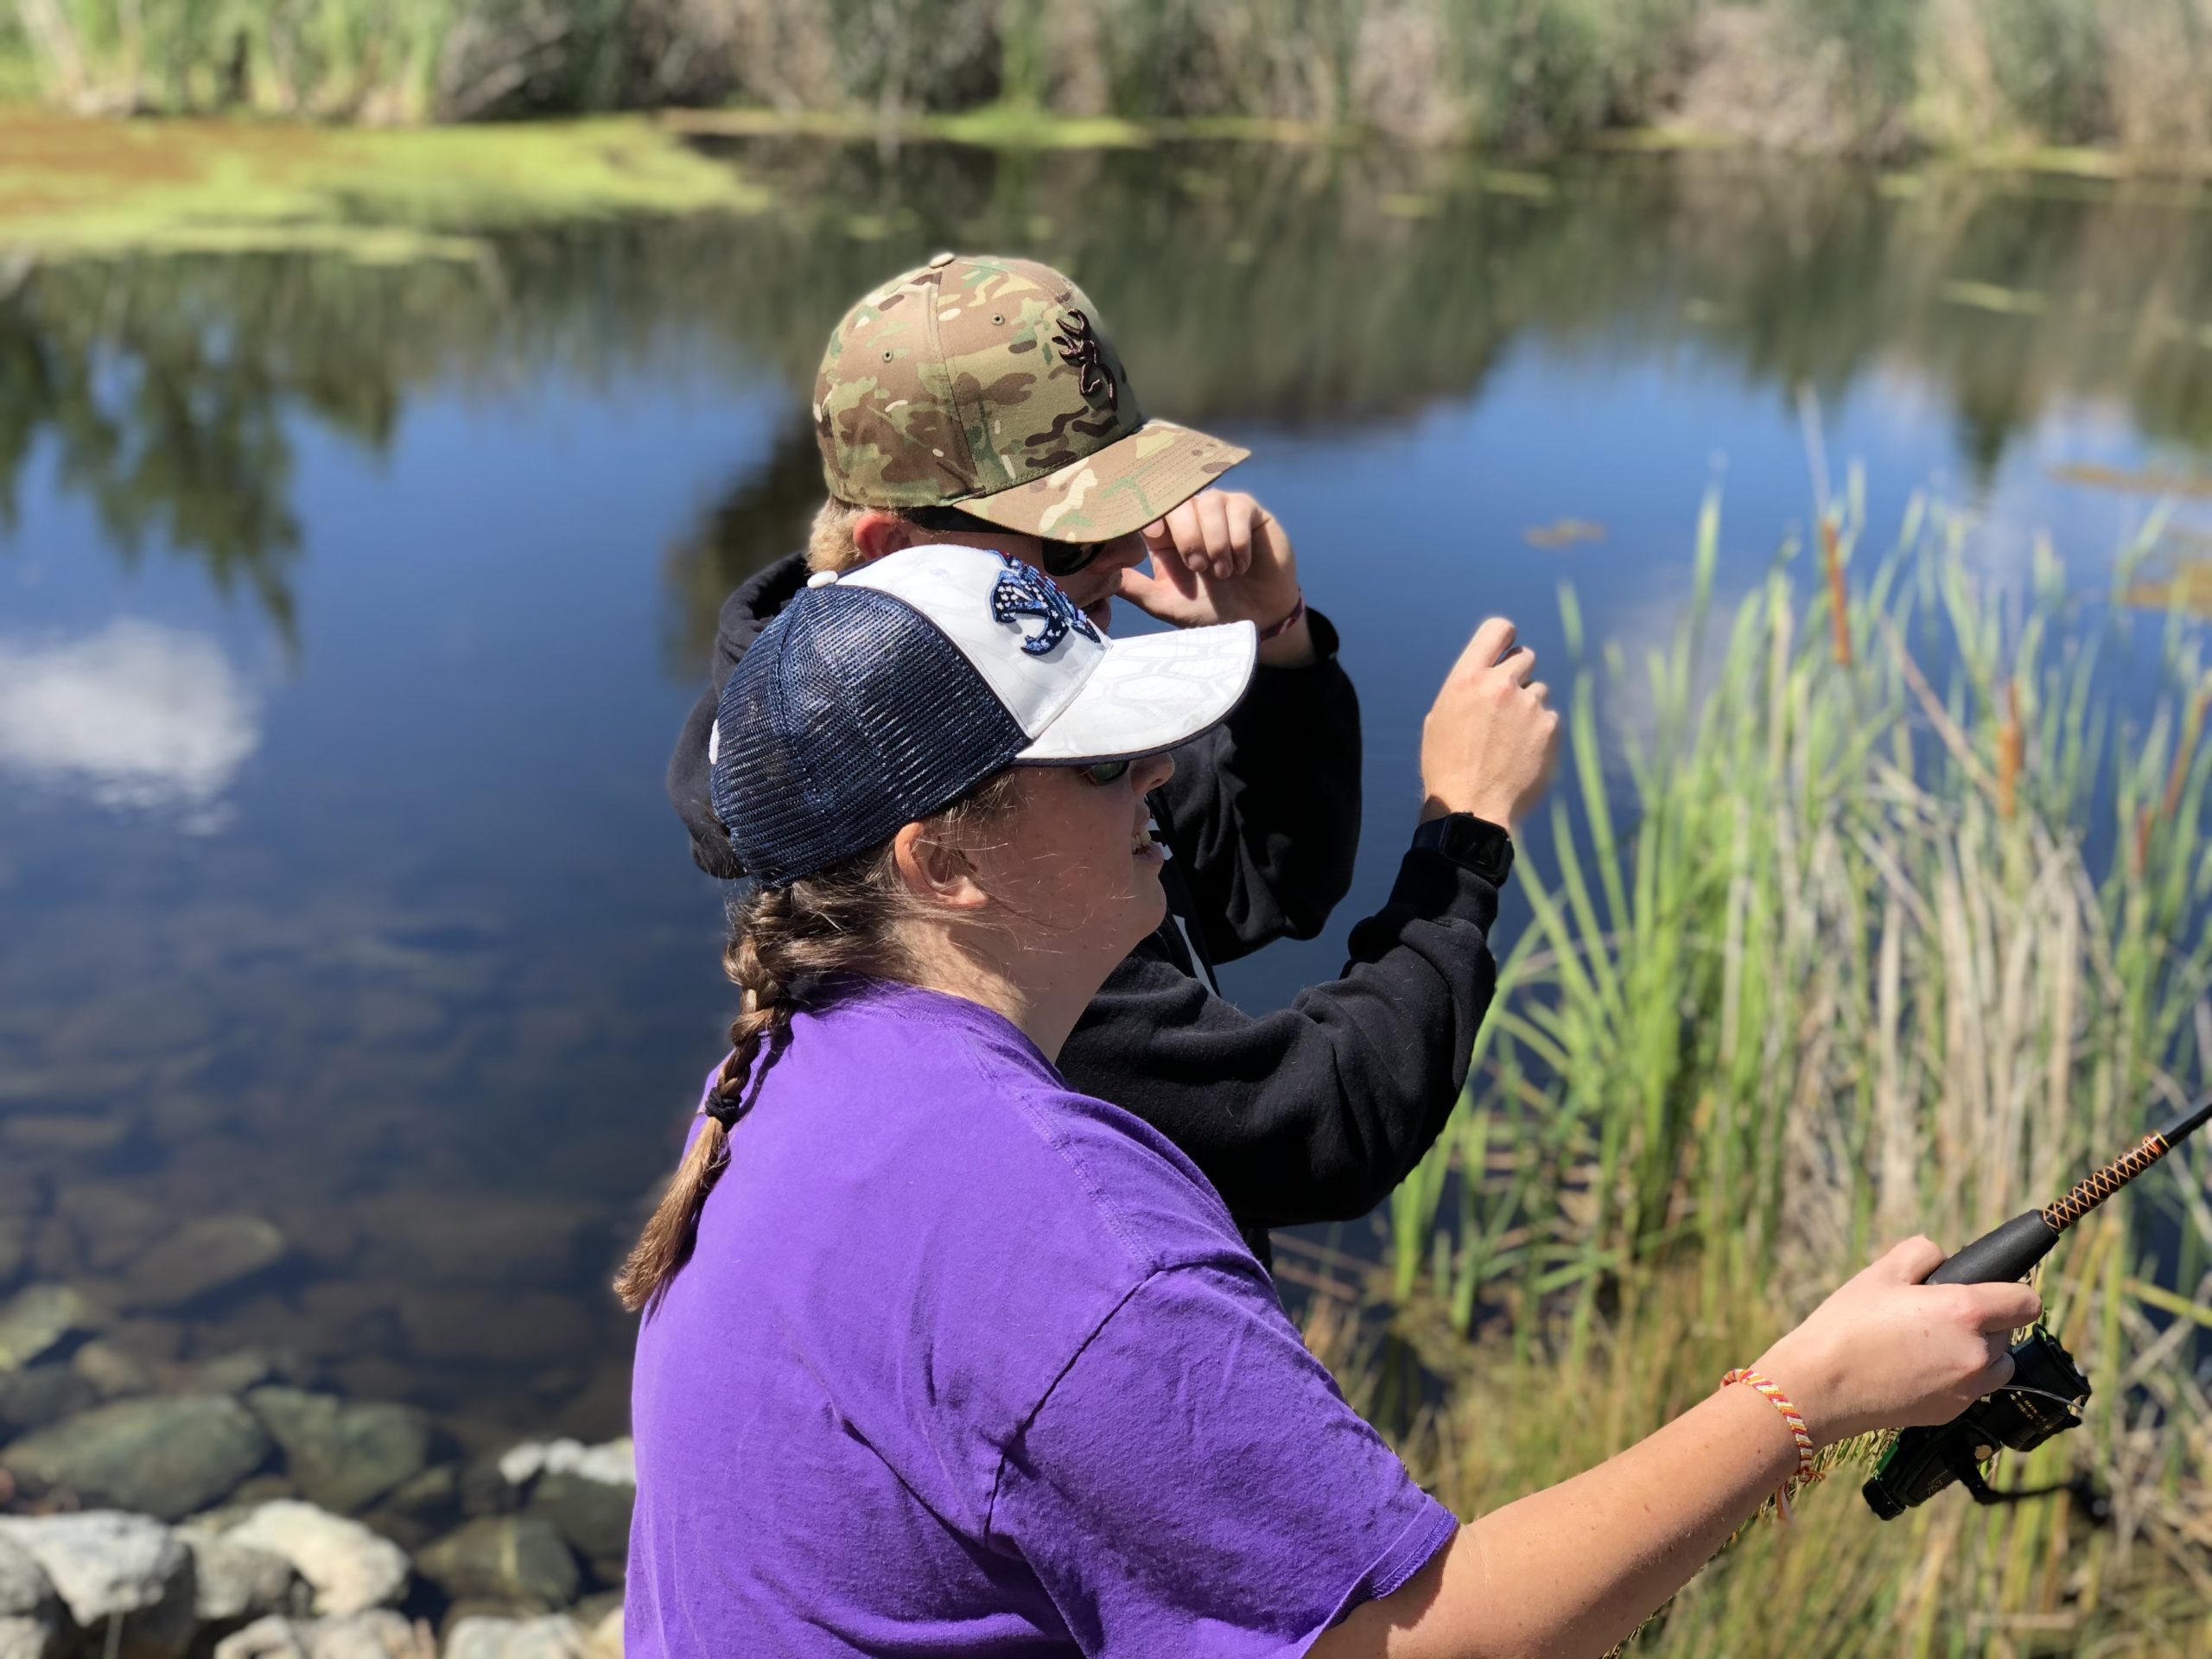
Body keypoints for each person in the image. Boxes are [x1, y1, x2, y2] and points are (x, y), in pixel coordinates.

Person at [621, 542, 2043, 1658]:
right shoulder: (1071, 1234)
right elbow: (1446, 1642)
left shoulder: (789, 1058)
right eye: (1106, 762)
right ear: (941, 864)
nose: (1162, 778)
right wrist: (1812, 1395)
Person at [667, 252, 1554, 1265]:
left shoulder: (997, 691)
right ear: (887, 544)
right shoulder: (934, 824)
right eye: (1068, 537)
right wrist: (1465, 836)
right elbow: (1309, 1124)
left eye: (1128, 510)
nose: (1128, 558)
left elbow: (1254, 883)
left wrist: (1276, 642)